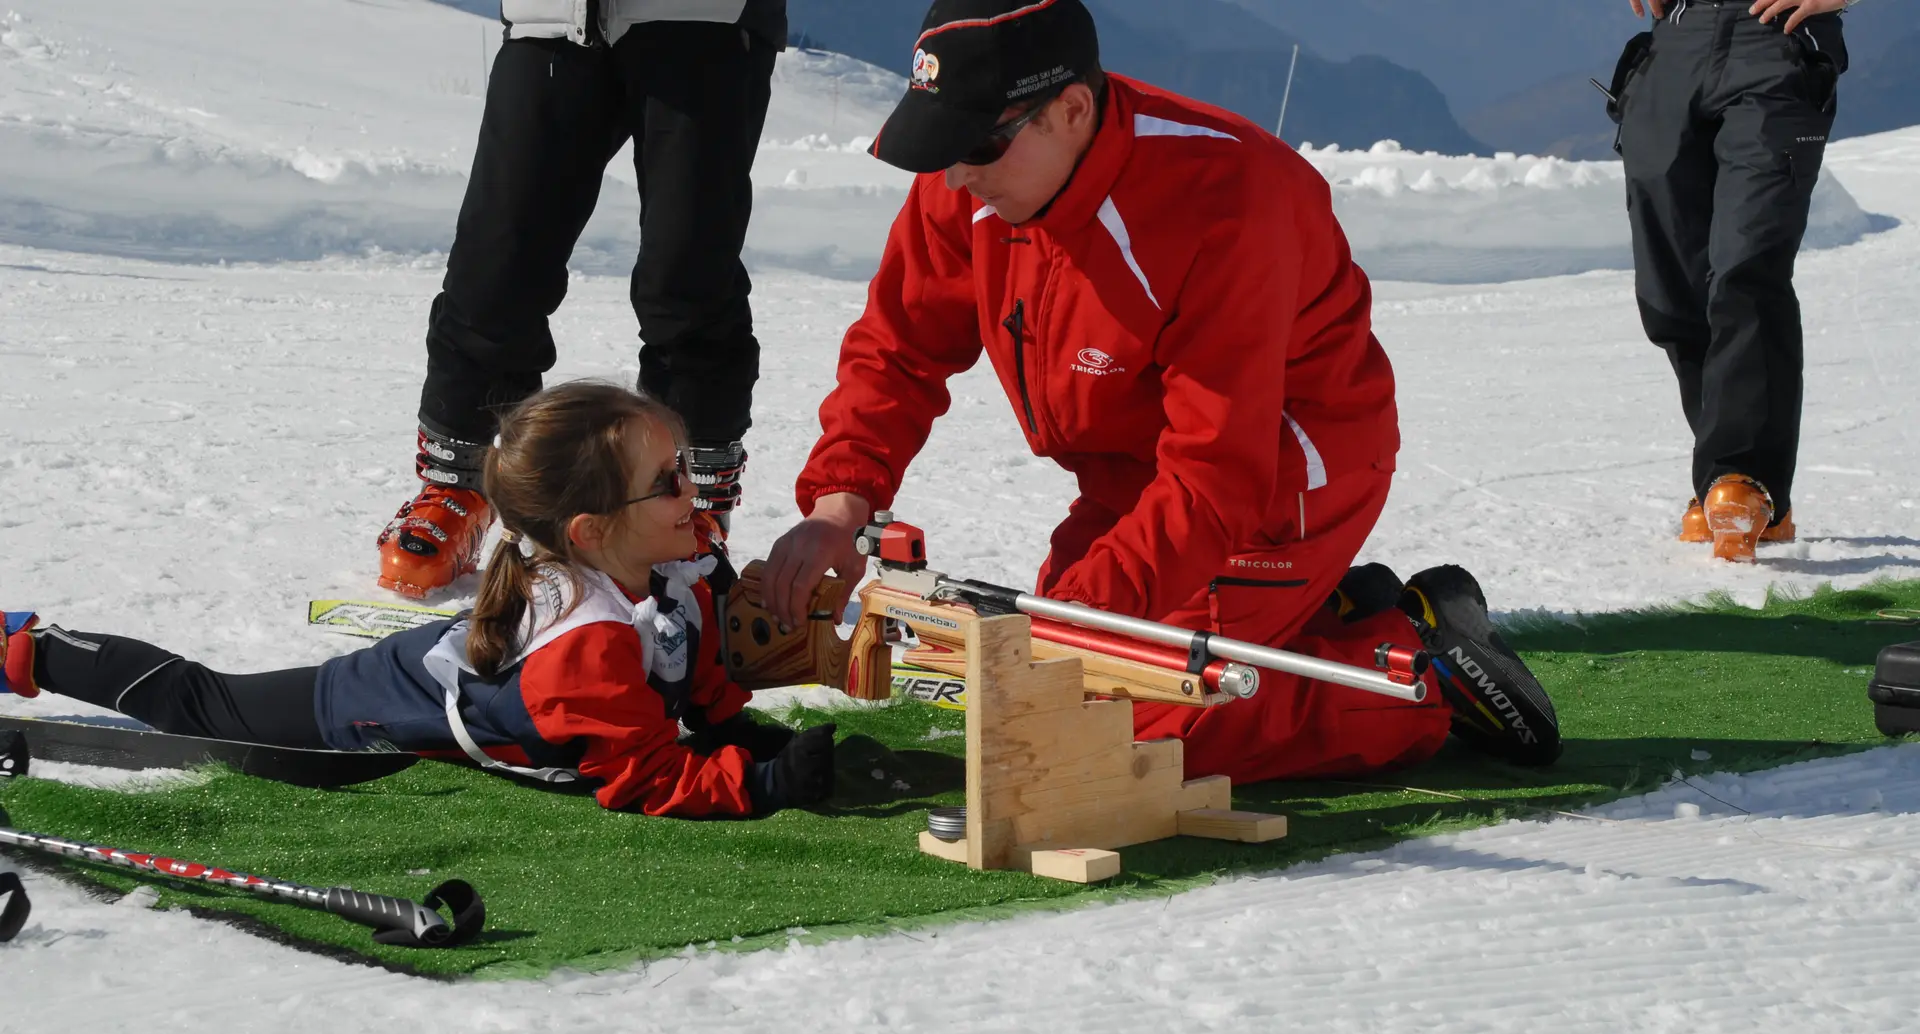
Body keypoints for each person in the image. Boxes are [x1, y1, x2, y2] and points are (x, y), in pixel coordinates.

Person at [761, 0, 1562, 782]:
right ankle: (1314, 613)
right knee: (1032, 693)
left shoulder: (1225, 199)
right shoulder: (972, 181)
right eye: (945, 144)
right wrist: (842, 503)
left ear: (1071, 109)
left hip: (1281, 478)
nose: (958, 172)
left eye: (977, 143)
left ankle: (1418, 673)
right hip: (1137, 478)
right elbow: (899, 348)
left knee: (1127, 725)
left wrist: (1066, 623)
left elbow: (1218, 476)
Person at [2, 384, 836, 818]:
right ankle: (28, 648)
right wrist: (761, 785)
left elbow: (686, 672)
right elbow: (639, 778)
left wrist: (735, 726)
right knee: (202, 701)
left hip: (456, 670)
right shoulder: (589, 645)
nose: (696, 491)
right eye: (670, 482)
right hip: (363, 710)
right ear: (591, 529)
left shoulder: (668, 571)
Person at [377, 0, 788, 598]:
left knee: (688, 274)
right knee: (496, 259)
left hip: (703, 18)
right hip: (552, 16)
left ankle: (688, 506)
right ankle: (456, 483)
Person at [1617, 0, 1858, 560]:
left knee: (1746, 266)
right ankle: (1738, 489)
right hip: (1676, 37)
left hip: (1777, 38)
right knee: (1669, 288)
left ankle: (1743, 478)